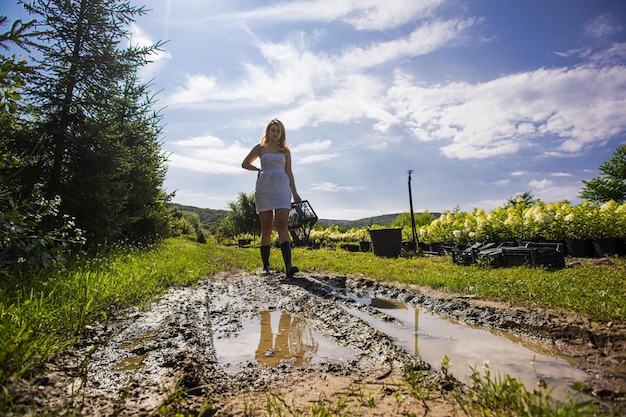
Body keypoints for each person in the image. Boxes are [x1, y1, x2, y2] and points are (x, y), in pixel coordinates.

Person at [242, 119, 302, 276]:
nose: (275, 133)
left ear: (281, 133)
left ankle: (289, 266)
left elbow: (289, 172)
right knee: (266, 228)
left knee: (282, 224)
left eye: (278, 131)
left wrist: (295, 193)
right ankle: (266, 266)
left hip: (282, 190)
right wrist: (258, 169)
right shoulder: (260, 148)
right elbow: (244, 163)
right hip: (264, 190)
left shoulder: (285, 150)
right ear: (267, 131)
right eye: (272, 130)